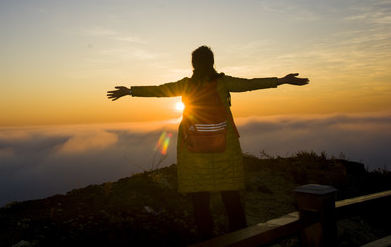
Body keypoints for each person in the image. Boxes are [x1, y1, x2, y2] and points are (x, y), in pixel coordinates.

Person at [107, 45, 309, 241]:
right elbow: (250, 84)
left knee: (199, 200)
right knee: (231, 197)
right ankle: (241, 240)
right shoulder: (223, 82)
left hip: (194, 149)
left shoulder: (185, 84)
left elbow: (159, 90)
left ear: (193, 64)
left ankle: (207, 241)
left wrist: (130, 91)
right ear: (212, 63)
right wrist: (281, 80)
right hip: (225, 146)